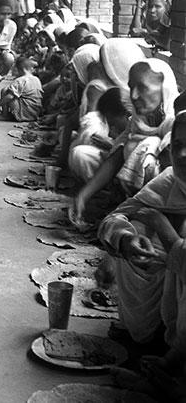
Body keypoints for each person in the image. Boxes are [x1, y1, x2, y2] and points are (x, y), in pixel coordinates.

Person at [98, 110, 186, 348]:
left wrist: (162, 226)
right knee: (136, 226)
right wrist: (125, 240)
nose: (182, 154)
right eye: (177, 144)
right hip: (166, 288)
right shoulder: (168, 181)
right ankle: (147, 333)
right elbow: (114, 218)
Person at [74, 58, 179, 222]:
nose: (134, 95)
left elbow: (173, 176)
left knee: (148, 145)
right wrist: (83, 195)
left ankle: (140, 215)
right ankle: (122, 205)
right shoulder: (138, 119)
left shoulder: (176, 121)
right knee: (82, 154)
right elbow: (116, 156)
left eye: (142, 87)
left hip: (168, 200)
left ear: (163, 88)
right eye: (131, 87)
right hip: (134, 188)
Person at [0, 57, 43, 121]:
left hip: (24, 113)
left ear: (19, 69)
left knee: (5, 90)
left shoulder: (20, 80)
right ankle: (11, 114)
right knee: (13, 93)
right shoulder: (36, 79)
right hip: (35, 113)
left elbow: (10, 97)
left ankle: (5, 115)